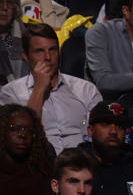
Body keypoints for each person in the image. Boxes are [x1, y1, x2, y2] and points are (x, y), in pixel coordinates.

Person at [0, 22, 101, 152]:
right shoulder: (10, 94)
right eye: (39, 51)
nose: (48, 58)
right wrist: (39, 89)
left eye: (52, 50)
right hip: (37, 163)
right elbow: (23, 135)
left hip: (82, 162)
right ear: (25, 56)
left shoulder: (86, 89)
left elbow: (98, 134)